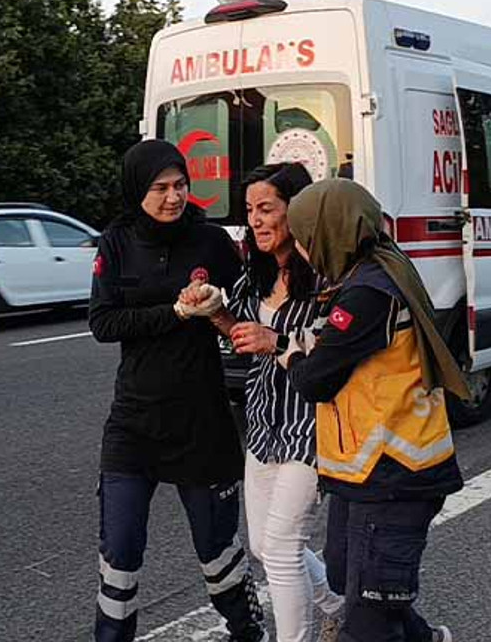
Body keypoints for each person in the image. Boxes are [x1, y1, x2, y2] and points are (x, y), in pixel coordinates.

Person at [88, 140, 265, 642]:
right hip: (134, 422)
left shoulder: (209, 241)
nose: (173, 197)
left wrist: (217, 303)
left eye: (180, 185)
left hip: (201, 420)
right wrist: (177, 312)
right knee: (119, 554)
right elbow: (103, 322)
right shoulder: (116, 243)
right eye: (160, 187)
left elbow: (251, 303)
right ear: (137, 189)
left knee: (217, 553)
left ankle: (247, 630)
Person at [278, 179, 468, 642]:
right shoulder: (376, 268)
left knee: (367, 618)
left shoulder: (369, 292)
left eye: (304, 237)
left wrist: (285, 350)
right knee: (353, 582)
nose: (301, 248)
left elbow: (314, 379)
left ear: (330, 232)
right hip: (366, 471)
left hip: (395, 475)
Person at [188, 163, 346, 642]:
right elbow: (241, 336)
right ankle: (339, 605)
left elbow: (333, 352)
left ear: (295, 212)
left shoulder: (326, 277)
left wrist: (276, 339)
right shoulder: (254, 274)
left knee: (281, 547)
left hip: (308, 424)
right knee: (263, 545)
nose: (255, 221)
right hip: (262, 424)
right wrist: (213, 310)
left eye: (266, 209)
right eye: (250, 211)